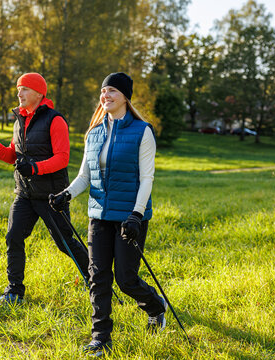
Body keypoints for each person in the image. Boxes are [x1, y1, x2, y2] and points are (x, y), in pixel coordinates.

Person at [49, 72, 166, 356]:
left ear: (125, 96)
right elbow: (84, 175)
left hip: (129, 218)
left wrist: (137, 215)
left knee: (126, 279)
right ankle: (100, 337)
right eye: (103, 91)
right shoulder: (94, 132)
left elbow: (147, 179)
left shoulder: (142, 131)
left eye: (112, 91)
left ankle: (155, 306)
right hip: (99, 216)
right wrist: (66, 194)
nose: (106, 96)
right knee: (98, 276)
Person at [0, 72, 89, 304]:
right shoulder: (19, 120)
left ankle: (95, 279)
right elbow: (14, 155)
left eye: (25, 89)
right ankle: (14, 291)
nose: (19, 93)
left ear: (39, 93)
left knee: (65, 243)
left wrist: (34, 168)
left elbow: (62, 158)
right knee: (13, 237)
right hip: (25, 194)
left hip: (52, 195)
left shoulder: (55, 120)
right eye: (18, 89)